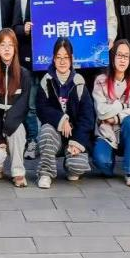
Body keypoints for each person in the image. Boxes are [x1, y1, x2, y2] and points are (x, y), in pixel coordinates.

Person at [11, 0, 57, 161]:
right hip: (27, 59)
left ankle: (50, 141)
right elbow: (13, 28)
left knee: (50, 102)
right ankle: (32, 140)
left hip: (49, 61)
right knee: (29, 105)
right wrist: (24, 29)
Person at [35, 37, 94, 188]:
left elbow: (87, 117)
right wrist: (61, 119)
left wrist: (77, 142)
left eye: (66, 57)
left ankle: (70, 163)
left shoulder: (79, 82)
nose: (62, 61)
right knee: (46, 131)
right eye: (59, 57)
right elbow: (42, 109)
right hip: (54, 135)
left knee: (77, 168)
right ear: (53, 59)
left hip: (73, 137)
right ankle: (45, 173)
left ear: (72, 58)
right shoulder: (46, 80)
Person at [0, 29, 31, 187]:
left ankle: (18, 172)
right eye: (3, 45)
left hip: (13, 124)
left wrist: (7, 129)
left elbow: (22, 105)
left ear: (15, 48)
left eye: (10, 45)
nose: (7, 49)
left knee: (19, 130)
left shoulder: (24, 74)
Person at [91, 39, 130, 187]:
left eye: (126, 56)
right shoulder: (101, 80)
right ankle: (109, 159)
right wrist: (123, 105)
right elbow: (101, 111)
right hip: (106, 134)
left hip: (126, 133)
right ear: (113, 57)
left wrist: (116, 118)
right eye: (119, 55)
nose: (122, 59)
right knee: (102, 163)